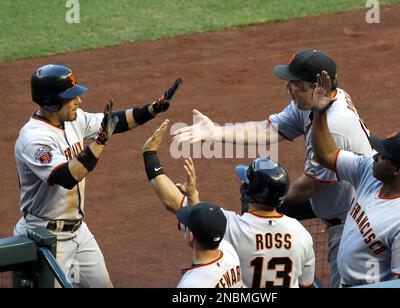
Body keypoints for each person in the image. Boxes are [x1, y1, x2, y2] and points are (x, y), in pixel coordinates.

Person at [172, 48, 372, 287]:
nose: (287, 88)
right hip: (341, 212)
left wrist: (264, 201)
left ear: (316, 86)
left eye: (294, 83)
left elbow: (311, 184)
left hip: (354, 226)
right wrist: (216, 131)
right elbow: (270, 129)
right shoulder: (313, 105)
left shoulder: (335, 124)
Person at [13, 64, 181, 287]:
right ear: (50, 102)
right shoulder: (34, 139)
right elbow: (67, 176)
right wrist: (100, 141)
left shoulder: (73, 120)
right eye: (71, 97)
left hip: (78, 231)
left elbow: (114, 122)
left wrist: (152, 109)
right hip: (47, 238)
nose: (78, 101)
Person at [143, 121, 315, 288]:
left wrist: (151, 158)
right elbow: (306, 284)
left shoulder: (230, 227)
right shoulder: (301, 234)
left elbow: (174, 203)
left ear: (248, 192)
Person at [310, 70, 400, 287]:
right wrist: (319, 114)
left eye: (383, 156)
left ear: (397, 169)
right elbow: (326, 155)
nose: (375, 155)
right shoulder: (370, 170)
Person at [143, 120, 243, 288]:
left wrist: (149, 154)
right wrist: (192, 194)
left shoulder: (192, 285)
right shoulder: (228, 254)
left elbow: (175, 205)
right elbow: (174, 204)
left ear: (191, 235)